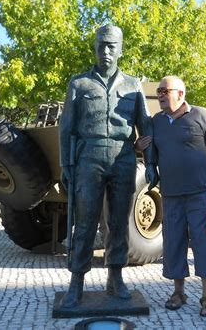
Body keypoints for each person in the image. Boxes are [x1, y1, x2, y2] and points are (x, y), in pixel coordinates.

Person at [59, 24, 158, 307]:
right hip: (89, 159)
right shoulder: (79, 84)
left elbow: (146, 126)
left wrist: (150, 162)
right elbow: (66, 129)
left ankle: (116, 278)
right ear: (95, 47)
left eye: (111, 45)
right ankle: (76, 282)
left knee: (118, 224)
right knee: (85, 222)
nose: (106, 50)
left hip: (123, 158)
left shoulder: (133, 85)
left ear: (121, 49)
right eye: (101, 44)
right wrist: (67, 165)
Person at [137, 75, 206, 317]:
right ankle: (178, 292)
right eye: (159, 91)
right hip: (172, 195)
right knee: (173, 243)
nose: (161, 95)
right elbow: (148, 150)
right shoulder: (156, 122)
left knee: (203, 243)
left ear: (180, 94)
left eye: (165, 90)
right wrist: (140, 146)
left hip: (200, 192)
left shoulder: (200, 116)